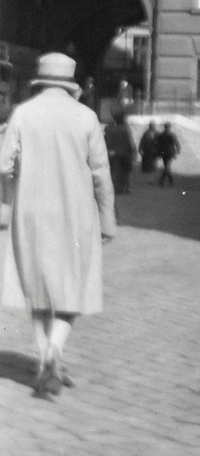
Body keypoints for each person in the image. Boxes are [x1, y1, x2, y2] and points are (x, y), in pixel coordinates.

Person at [0, 52, 117, 399]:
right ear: (71, 84)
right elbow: (101, 173)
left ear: (40, 81)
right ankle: (54, 351)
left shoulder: (23, 113)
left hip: (31, 211)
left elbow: (3, 164)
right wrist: (107, 218)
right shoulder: (86, 116)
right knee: (72, 286)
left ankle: (43, 361)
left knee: (35, 285)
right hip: (75, 212)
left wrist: (15, 182)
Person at [104, 108, 136, 196]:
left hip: (114, 153)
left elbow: (108, 142)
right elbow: (130, 142)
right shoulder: (126, 129)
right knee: (126, 171)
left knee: (115, 171)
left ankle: (115, 188)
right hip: (125, 153)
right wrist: (134, 152)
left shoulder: (111, 130)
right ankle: (126, 188)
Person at [156, 122, 180, 186]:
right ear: (169, 127)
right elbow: (177, 143)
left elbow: (158, 145)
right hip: (170, 153)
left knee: (167, 167)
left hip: (164, 153)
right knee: (167, 168)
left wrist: (159, 153)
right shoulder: (172, 134)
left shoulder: (161, 135)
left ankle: (163, 181)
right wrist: (178, 151)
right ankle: (170, 181)